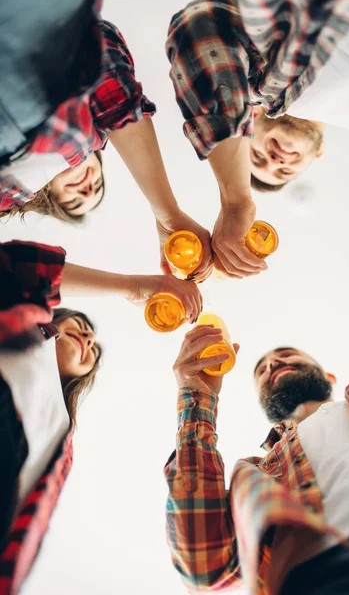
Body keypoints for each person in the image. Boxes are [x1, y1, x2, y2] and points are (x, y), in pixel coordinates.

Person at [0, 239, 202, 593]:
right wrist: (134, 286)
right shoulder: (25, 324)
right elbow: (19, 267)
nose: (89, 337)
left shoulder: (61, 435)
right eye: (78, 325)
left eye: (92, 349)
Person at [166, 0, 349, 278]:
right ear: (318, 154)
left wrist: (236, 201)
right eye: (283, 170)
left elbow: (198, 26)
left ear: (249, 119)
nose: (275, 161)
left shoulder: (264, 84)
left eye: (257, 156)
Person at [165, 328, 349, 595]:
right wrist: (197, 398)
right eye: (262, 371)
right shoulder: (256, 475)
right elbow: (202, 564)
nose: (272, 364)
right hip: (326, 574)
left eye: (286, 355)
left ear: (328, 377)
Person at [0, 0, 213, 280]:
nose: (87, 191)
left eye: (74, 201)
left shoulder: (7, 199)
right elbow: (101, 52)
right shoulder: (91, 130)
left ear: (47, 200)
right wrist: (169, 214)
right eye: (98, 184)